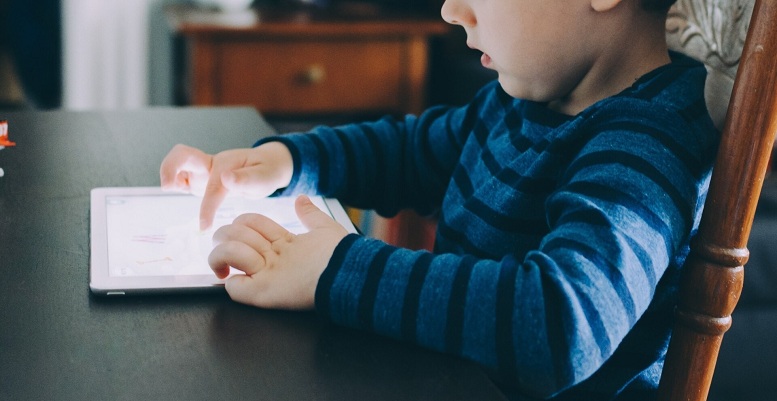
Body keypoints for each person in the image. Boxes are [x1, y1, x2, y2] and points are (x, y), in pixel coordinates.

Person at [159, 0, 719, 398]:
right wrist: (288, 162)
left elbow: (560, 325)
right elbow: (409, 152)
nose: (452, 10)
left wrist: (337, 267)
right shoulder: (525, 99)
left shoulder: (648, 143)